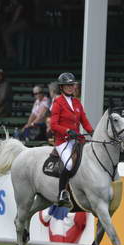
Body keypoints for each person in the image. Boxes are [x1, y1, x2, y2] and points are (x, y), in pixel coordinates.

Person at [50, 72, 93, 208]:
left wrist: (92, 132)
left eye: (72, 85)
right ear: (62, 87)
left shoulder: (77, 102)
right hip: (63, 141)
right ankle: (62, 193)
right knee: (69, 165)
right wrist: (67, 131)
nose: (70, 87)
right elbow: (53, 125)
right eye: (67, 85)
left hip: (77, 139)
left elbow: (84, 121)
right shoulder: (58, 102)